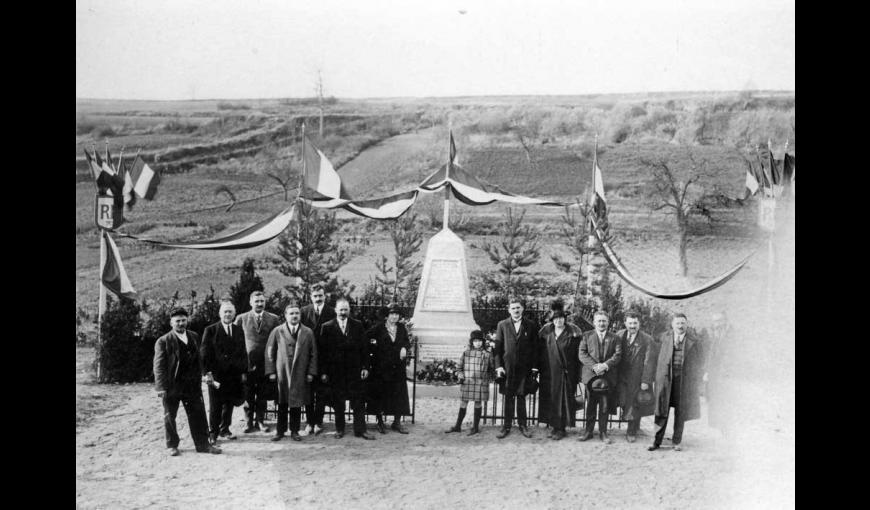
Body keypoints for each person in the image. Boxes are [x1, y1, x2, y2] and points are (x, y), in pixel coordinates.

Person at [153, 308, 221, 456]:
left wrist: (205, 373)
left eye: (183, 320)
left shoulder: (194, 336)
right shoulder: (163, 341)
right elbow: (158, 367)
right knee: (170, 416)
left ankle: (203, 445)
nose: (181, 323)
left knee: (198, 414)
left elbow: (200, 359)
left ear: (187, 320)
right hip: (172, 385)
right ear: (171, 323)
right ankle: (172, 445)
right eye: (177, 321)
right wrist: (161, 388)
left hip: (192, 385)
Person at [647, 312, 706, 452]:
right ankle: (656, 441)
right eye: (677, 323)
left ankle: (676, 441)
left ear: (687, 325)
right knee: (661, 410)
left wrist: (695, 380)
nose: (680, 326)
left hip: (683, 381)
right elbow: (653, 357)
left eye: (683, 323)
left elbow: (700, 362)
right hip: (665, 380)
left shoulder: (695, 340)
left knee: (681, 412)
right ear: (672, 325)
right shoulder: (663, 337)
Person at [319, 297, 374, 440]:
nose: (343, 312)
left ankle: (360, 430)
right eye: (341, 309)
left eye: (346, 309)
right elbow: (322, 352)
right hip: (336, 372)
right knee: (338, 402)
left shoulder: (357, 325)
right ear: (336, 310)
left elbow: (364, 349)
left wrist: (365, 367)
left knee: (358, 401)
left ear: (349, 310)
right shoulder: (327, 327)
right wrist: (324, 372)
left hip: (354, 371)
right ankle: (340, 429)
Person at [265, 301, 318, 442]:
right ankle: (280, 431)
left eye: (297, 313)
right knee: (282, 403)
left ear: (300, 315)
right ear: (285, 315)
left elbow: (313, 354)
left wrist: (311, 373)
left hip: (300, 373)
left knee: (296, 403)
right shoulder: (278, 331)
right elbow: (270, 351)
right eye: (291, 313)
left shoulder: (307, 332)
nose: (294, 316)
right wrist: (271, 371)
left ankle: (295, 430)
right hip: (283, 373)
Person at [200, 301, 248, 445]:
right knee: (215, 405)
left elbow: (243, 352)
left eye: (230, 312)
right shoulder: (211, 330)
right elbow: (204, 354)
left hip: (233, 375)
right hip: (216, 375)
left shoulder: (238, 330)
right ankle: (213, 433)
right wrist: (207, 373)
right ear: (220, 314)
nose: (227, 314)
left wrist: (243, 371)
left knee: (229, 403)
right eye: (225, 312)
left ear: (234, 314)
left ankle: (225, 429)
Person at [234, 291, 281, 433]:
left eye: (262, 301)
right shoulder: (241, 319)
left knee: (262, 393)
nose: (259, 304)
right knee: (248, 393)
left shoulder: (274, 319)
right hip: (247, 364)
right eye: (257, 301)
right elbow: (236, 343)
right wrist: (240, 365)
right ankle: (248, 422)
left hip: (265, 363)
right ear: (251, 302)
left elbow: (277, 342)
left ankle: (260, 421)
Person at [493, 298, 540, 439]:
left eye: (518, 307)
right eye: (513, 308)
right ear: (509, 310)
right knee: (508, 396)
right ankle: (506, 426)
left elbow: (536, 348)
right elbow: (498, 347)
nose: (516, 310)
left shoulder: (531, 325)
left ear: (522, 309)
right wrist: (499, 366)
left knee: (521, 396)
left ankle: (523, 425)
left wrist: (534, 367)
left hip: (524, 368)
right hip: (507, 367)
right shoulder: (502, 325)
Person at [538, 303, 582, 440]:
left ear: (565, 319)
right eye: (556, 319)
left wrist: (577, 374)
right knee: (551, 399)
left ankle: (561, 428)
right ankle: (553, 426)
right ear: (552, 320)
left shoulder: (572, 334)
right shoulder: (547, 333)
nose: (558, 321)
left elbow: (577, 355)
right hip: (550, 373)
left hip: (566, 373)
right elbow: (541, 353)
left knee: (563, 401)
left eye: (561, 318)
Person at [366, 303, 411, 434]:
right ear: (387, 315)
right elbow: (366, 337)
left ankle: (396, 422)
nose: (394, 317)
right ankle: (380, 421)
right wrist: (373, 346)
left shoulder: (401, 328)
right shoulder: (379, 328)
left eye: (397, 314)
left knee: (399, 394)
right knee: (380, 394)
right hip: (381, 368)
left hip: (397, 367)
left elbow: (406, 341)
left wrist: (404, 348)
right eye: (392, 314)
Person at [578, 310, 622, 444]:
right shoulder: (586, 336)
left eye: (604, 321)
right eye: (599, 321)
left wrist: (605, 366)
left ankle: (603, 432)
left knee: (604, 406)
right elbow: (582, 353)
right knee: (590, 405)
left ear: (608, 322)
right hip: (591, 377)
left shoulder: (615, 338)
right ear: (594, 322)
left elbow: (618, 355)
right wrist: (595, 366)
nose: (601, 323)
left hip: (607, 377)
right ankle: (588, 431)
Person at [299, 284, 336, 436]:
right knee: (308, 392)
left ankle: (318, 422)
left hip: (324, 358)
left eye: (320, 296)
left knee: (321, 392)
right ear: (310, 297)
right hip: (307, 359)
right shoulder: (303, 311)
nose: (318, 299)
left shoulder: (332, 312)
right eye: (315, 296)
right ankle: (309, 421)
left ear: (325, 296)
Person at [615, 311, 655, 443]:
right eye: (630, 323)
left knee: (633, 403)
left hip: (636, 378)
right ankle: (635, 424)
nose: (632, 326)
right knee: (622, 401)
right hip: (621, 376)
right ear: (625, 323)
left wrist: (645, 380)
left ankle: (631, 431)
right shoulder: (619, 335)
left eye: (635, 323)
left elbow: (649, 362)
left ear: (639, 324)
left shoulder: (647, 339)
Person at [445, 330, 494, 436]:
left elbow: (491, 369)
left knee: (478, 403)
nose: (478, 343)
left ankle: (475, 427)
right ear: (471, 342)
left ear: (483, 342)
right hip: (467, 382)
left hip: (481, 383)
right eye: (475, 341)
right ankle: (458, 426)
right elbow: (459, 368)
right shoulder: (466, 353)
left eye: (480, 341)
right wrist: (461, 376)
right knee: (463, 403)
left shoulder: (487, 354)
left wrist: (487, 378)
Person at [704, 311, 737, 436]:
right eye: (715, 321)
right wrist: (707, 371)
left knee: (727, 404)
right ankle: (724, 432)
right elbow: (711, 356)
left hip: (727, 376)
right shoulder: (716, 335)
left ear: (725, 321)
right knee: (717, 403)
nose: (717, 324)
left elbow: (731, 357)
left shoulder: (732, 335)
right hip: (716, 376)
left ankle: (729, 433)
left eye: (720, 321)